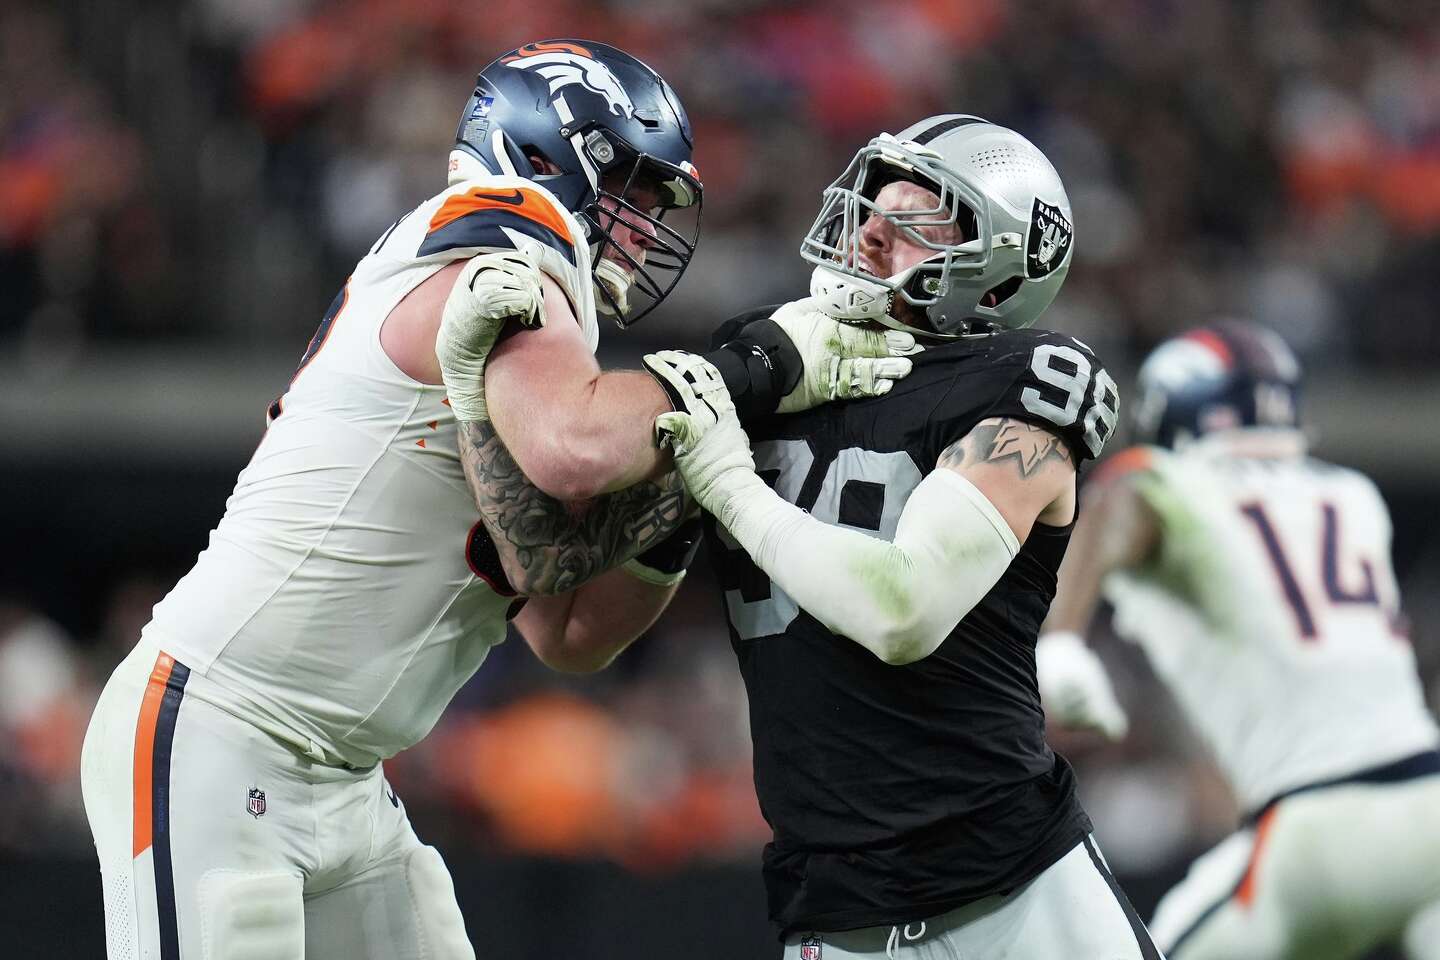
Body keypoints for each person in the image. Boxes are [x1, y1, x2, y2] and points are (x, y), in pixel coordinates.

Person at [79, 39, 911, 960]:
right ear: (545, 152)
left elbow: (572, 632)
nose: (645, 224)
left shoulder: (539, 308)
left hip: (346, 779)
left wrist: (691, 484)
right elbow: (574, 448)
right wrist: (753, 370)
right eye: (630, 186)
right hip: (220, 731)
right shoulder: (505, 229)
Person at [654, 115, 1162, 959]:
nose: (871, 231)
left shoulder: (1021, 382)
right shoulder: (770, 363)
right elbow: (582, 627)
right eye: (871, 207)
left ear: (997, 276)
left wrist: (728, 485)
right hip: (834, 908)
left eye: (918, 220)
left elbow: (903, 609)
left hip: (1019, 892)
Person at [1037, 323, 1440, 960]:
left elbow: (1124, 495)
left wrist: (1060, 642)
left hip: (1318, 822)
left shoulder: (1174, 478)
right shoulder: (1353, 494)